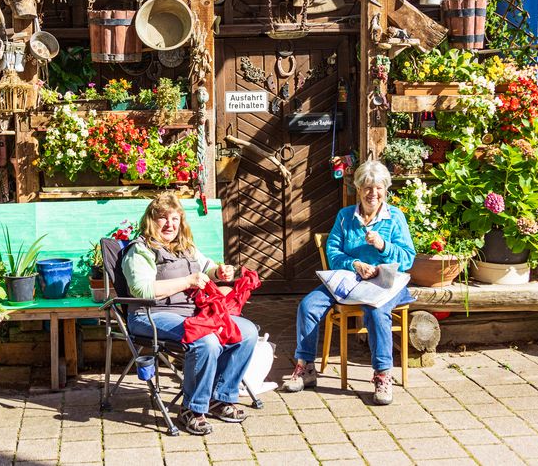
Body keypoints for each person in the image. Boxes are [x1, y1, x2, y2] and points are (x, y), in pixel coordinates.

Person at [122, 192, 258, 435]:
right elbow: (143, 289)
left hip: (190, 313)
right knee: (205, 340)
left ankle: (219, 397)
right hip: (150, 315)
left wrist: (221, 272)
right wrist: (187, 281)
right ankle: (192, 409)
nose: (170, 225)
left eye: (175, 219)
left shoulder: (185, 247)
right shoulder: (140, 250)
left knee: (246, 331)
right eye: (163, 219)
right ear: (151, 221)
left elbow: (208, 268)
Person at [284, 160, 414, 405]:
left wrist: (383, 246)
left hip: (384, 283)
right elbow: (333, 252)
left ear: (385, 189)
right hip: (348, 280)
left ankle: (383, 375)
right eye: (366, 187)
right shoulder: (345, 217)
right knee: (309, 305)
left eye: (378, 188)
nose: (372, 193)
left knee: (375, 312)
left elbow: (408, 258)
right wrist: (354, 264)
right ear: (357, 189)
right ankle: (306, 367)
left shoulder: (394, 218)